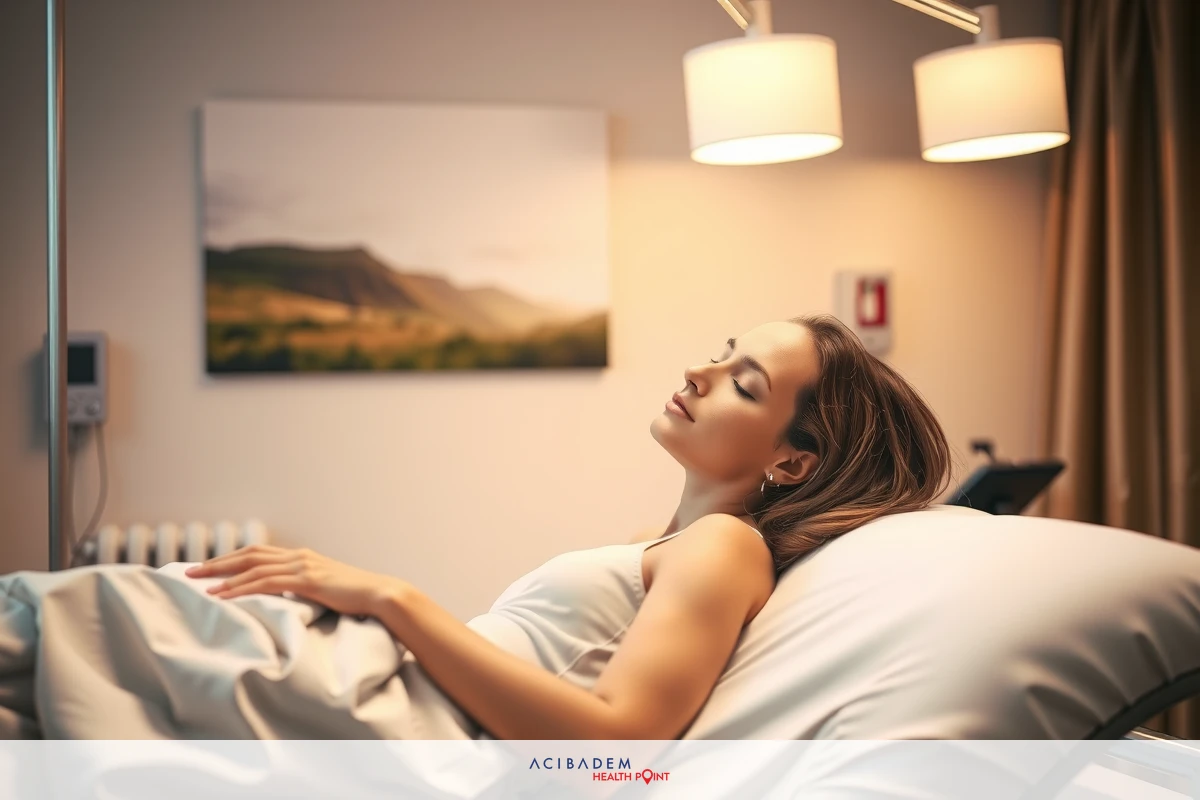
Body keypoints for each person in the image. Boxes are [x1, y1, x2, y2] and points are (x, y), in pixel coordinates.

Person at [184, 314, 952, 740]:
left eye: (742, 385)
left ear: (792, 463)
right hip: (384, 696)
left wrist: (393, 599)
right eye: (723, 351)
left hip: (404, 723)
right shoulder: (666, 544)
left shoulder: (726, 545)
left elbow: (615, 746)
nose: (698, 371)